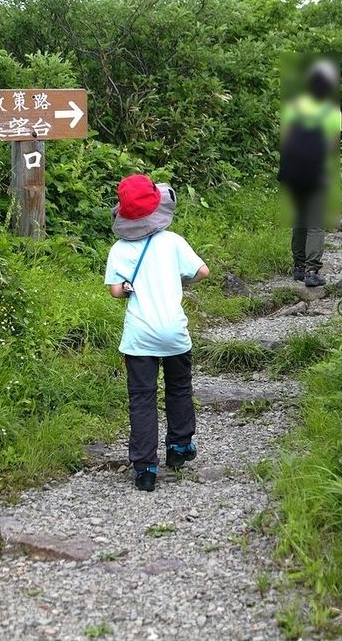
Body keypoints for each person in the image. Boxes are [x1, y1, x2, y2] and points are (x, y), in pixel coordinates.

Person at [105, 174, 210, 492]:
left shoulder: (118, 249)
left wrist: (128, 288)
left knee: (141, 398)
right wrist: (178, 281)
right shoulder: (173, 242)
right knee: (178, 389)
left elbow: (115, 291)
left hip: (139, 337)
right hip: (174, 333)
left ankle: (145, 467)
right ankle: (179, 447)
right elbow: (202, 271)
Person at [278, 59, 342, 287]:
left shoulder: (294, 105)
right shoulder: (331, 108)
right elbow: (333, 145)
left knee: (300, 221)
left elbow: (286, 139)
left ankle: (298, 267)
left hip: (293, 172)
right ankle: (312, 271)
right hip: (316, 172)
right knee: (315, 222)